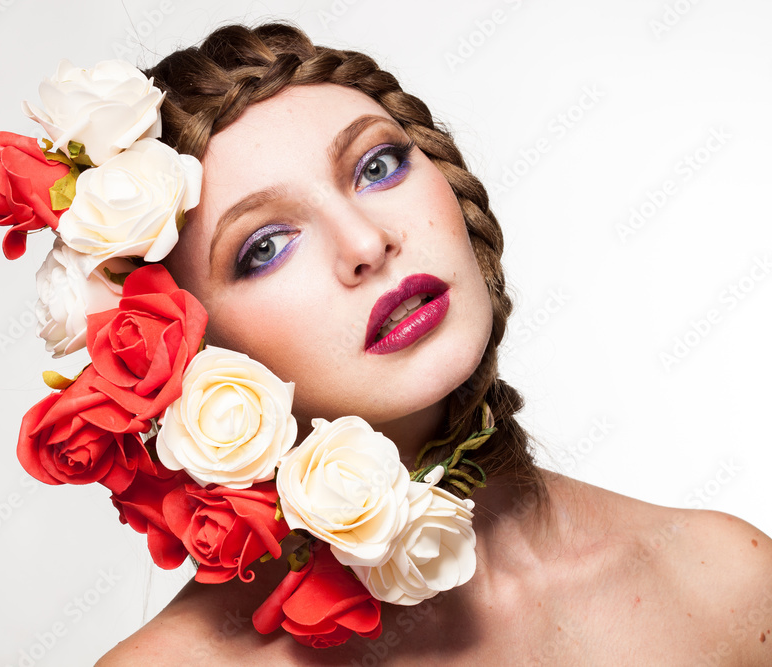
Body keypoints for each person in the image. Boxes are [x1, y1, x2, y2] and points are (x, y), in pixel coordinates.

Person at [92, 23, 772, 665]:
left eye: (378, 165)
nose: (367, 243)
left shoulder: (726, 581)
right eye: (265, 246)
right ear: (182, 343)